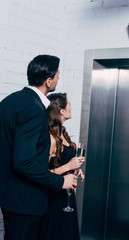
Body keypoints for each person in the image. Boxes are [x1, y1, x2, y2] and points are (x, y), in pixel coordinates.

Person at [0, 55, 80, 240]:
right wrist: (61, 182)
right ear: (48, 81)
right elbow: (24, 162)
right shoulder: (34, 109)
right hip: (25, 201)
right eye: (58, 75)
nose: (59, 79)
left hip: (8, 197)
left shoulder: (8, 101)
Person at [39, 93, 85, 240]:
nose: (71, 108)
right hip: (55, 199)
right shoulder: (50, 139)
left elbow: (64, 162)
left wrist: (75, 169)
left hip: (67, 196)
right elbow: (41, 174)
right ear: (61, 111)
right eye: (69, 105)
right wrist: (68, 166)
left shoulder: (63, 134)